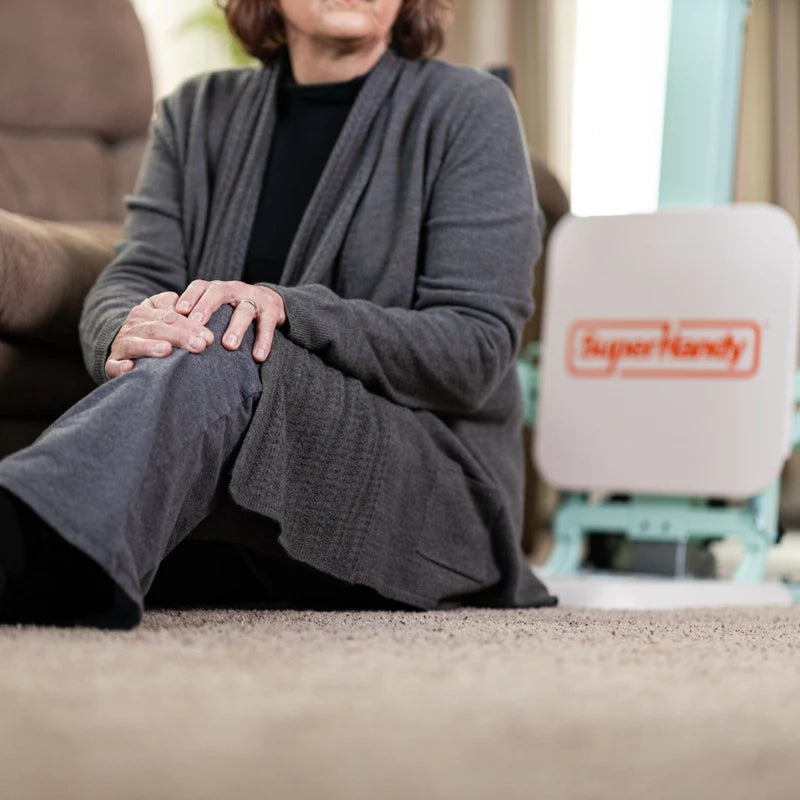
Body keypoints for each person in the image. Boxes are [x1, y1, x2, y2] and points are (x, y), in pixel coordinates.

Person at [0, 0, 556, 629]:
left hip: (428, 491)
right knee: (198, 326)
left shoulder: (469, 110)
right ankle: (60, 549)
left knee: (227, 328)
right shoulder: (198, 111)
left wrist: (287, 309)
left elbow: (475, 349)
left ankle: (31, 543)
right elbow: (134, 274)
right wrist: (128, 326)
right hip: (246, 495)